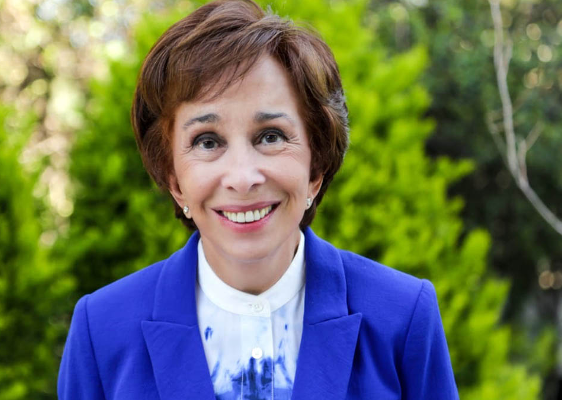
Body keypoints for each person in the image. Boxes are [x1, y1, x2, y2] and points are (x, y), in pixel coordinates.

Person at [57, 0, 459, 399]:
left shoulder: (404, 316)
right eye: (207, 141)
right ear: (174, 179)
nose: (243, 178)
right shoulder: (102, 330)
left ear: (316, 167)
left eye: (270, 136)